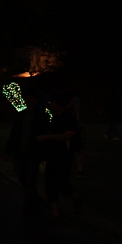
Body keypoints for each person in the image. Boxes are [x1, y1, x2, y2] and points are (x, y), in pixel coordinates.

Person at [38, 91, 81, 222]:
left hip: (64, 155)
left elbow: (67, 136)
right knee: (49, 182)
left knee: (63, 183)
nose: (50, 104)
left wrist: (47, 137)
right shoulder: (55, 117)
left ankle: (76, 198)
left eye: (51, 102)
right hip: (52, 155)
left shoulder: (68, 117)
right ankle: (55, 212)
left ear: (56, 102)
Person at [6, 90, 49, 216]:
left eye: (31, 99)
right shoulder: (21, 115)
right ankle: (34, 198)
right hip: (21, 151)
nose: (29, 101)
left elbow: (44, 134)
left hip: (33, 152)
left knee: (31, 178)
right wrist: (8, 151)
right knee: (22, 176)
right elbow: (14, 133)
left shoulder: (42, 116)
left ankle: (30, 203)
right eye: (28, 99)